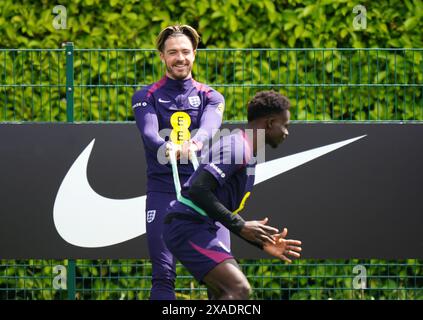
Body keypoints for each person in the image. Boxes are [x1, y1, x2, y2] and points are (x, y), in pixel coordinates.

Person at [163, 90, 302, 300]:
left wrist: (262, 241)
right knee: (238, 289)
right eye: (285, 125)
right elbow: (198, 189)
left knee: (223, 293)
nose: (287, 132)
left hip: (201, 226)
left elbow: (217, 205)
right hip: (186, 226)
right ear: (270, 122)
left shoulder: (247, 151)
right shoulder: (236, 148)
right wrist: (240, 225)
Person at [132, 25, 226, 300]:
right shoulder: (145, 96)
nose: (180, 58)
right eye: (172, 52)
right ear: (161, 56)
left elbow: (210, 127)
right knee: (163, 276)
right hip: (163, 191)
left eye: (186, 51)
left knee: (221, 279)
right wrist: (166, 147)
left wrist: (196, 143)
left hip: (205, 193)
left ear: (195, 54)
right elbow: (149, 133)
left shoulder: (212, 96)